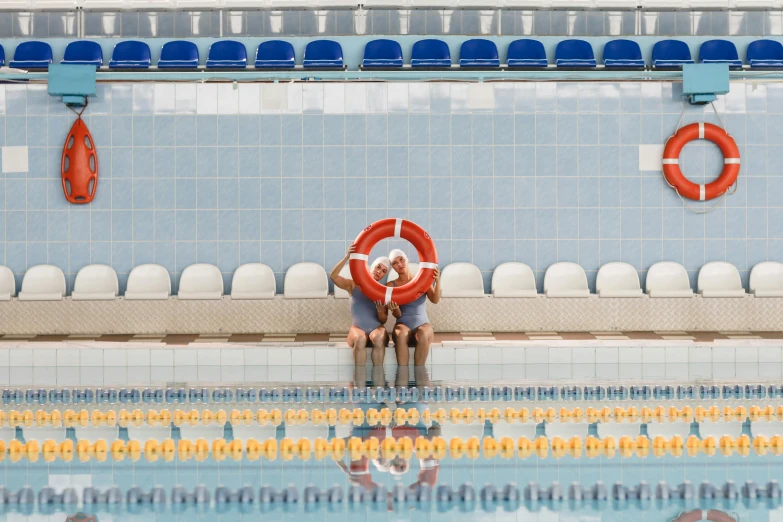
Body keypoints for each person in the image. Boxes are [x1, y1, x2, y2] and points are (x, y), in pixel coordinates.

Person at [330, 245, 390, 365]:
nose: (379, 271)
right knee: (360, 338)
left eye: (383, 271)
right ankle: (359, 379)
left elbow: (383, 320)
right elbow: (333, 277)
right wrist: (347, 257)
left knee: (378, 339)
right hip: (357, 329)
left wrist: (380, 310)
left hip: (376, 329)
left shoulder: (383, 292)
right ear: (372, 267)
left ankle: (378, 378)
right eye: (378, 267)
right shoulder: (354, 285)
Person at [386, 249, 441, 366]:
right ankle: (402, 377)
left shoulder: (422, 280)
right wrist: (394, 308)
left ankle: (420, 377)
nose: (399, 264)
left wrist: (437, 281)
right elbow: (397, 315)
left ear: (407, 260)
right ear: (393, 267)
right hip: (403, 325)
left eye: (401, 259)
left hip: (423, 325)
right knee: (401, 334)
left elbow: (435, 300)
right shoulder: (391, 286)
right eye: (395, 263)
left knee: (424, 333)